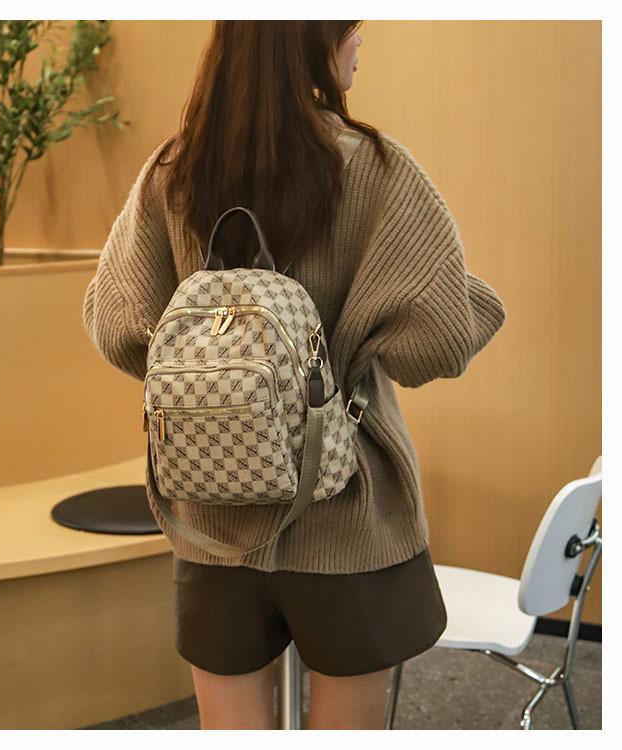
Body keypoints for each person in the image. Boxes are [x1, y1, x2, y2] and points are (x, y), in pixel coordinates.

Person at [83, 21, 506, 730]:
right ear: (311, 39)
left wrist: (215, 382)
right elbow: (434, 345)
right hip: (346, 512)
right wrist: (465, 303)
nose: (360, 41)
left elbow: (117, 325)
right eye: (350, 27)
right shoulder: (376, 168)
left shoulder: (173, 170)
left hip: (211, 514)